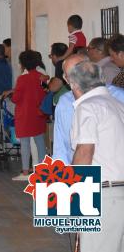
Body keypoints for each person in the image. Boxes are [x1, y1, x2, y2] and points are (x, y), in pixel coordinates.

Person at [68, 61, 124, 252]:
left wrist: (73, 193)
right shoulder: (118, 105)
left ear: (74, 86)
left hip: (103, 195)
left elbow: (85, 151)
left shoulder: (88, 107)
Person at [53, 54, 124, 164]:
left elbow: (84, 153)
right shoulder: (64, 102)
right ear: (67, 80)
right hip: (92, 175)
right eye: (72, 74)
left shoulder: (118, 96)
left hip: (102, 175)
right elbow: (61, 147)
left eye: (80, 69)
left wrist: (78, 180)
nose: (78, 75)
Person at [6, 51, 47, 181]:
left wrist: (11, 95)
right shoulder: (42, 77)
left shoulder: (22, 79)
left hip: (24, 115)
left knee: (25, 144)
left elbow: (16, 98)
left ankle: (25, 172)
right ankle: (43, 171)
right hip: (39, 114)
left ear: (23, 64)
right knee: (40, 143)